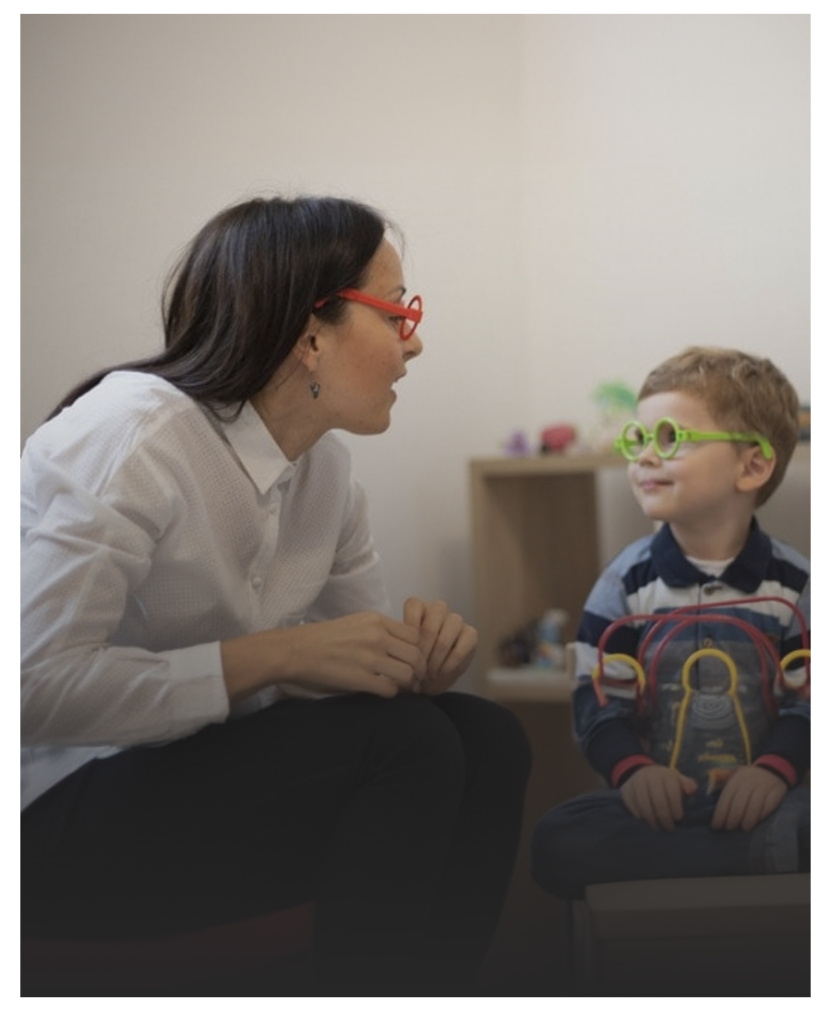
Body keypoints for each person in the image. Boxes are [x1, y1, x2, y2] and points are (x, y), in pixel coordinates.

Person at [20, 195, 532, 996]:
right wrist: (277, 656)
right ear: (308, 334)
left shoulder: (327, 474)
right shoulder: (132, 436)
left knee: (485, 735)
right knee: (408, 744)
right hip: (58, 809)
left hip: (193, 783)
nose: (414, 340)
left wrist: (411, 663)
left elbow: (354, 681)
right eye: (396, 313)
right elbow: (36, 688)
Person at [531, 347, 810, 901]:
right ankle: (759, 855)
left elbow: (808, 703)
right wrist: (634, 772)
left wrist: (773, 772)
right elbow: (596, 699)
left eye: (669, 438)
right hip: (663, 809)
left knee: (798, 820)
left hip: (774, 798)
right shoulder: (624, 584)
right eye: (638, 439)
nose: (643, 457)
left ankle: (752, 847)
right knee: (556, 837)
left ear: (752, 466)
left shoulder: (795, 586)